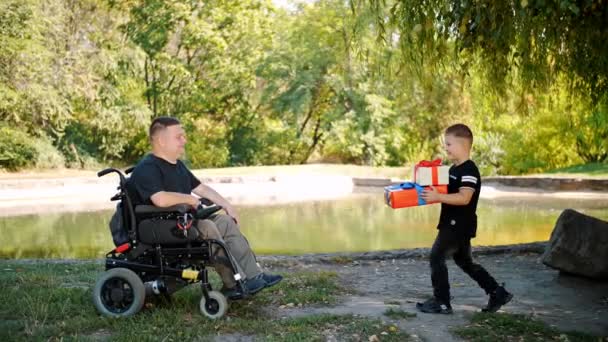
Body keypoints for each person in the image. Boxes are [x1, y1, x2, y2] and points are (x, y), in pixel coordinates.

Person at [128, 116, 282, 299]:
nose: (184, 140)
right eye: (178, 137)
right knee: (208, 228)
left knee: (225, 222)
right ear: (161, 141)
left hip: (180, 221)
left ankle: (254, 276)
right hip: (155, 225)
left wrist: (227, 205)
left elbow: (201, 188)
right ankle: (234, 284)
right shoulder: (147, 167)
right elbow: (160, 199)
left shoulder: (177, 166)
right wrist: (190, 199)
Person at [416, 123, 513, 314]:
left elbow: (464, 198)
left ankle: (442, 302)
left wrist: (439, 197)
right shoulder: (453, 169)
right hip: (455, 223)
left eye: (449, 144)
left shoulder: (469, 171)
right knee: (465, 262)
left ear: (462, 145)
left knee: (436, 257)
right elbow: (446, 192)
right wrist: (430, 188)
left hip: (457, 225)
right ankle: (497, 292)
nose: (446, 147)